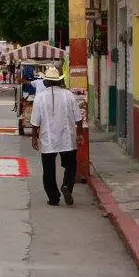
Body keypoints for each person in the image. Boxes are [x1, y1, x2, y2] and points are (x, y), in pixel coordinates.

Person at [30, 65, 83, 206]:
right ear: (59, 81)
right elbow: (79, 118)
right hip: (67, 137)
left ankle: (53, 198)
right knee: (71, 165)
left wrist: (34, 138)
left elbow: (35, 122)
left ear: (46, 82)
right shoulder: (69, 95)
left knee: (48, 169)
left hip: (48, 139)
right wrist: (80, 134)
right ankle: (66, 186)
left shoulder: (40, 97)